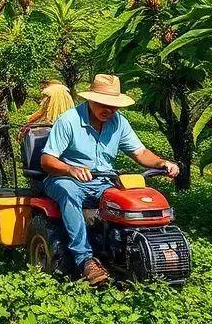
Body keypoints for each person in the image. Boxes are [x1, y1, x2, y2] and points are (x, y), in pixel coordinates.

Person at [38, 73, 180, 285]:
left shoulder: (118, 123)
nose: (109, 110)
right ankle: (84, 260)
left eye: (114, 106)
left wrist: (162, 163)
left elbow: (140, 152)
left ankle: (133, 253)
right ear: (91, 100)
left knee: (129, 200)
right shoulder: (69, 120)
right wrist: (70, 169)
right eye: (103, 104)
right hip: (65, 179)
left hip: (103, 180)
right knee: (69, 193)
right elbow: (47, 160)